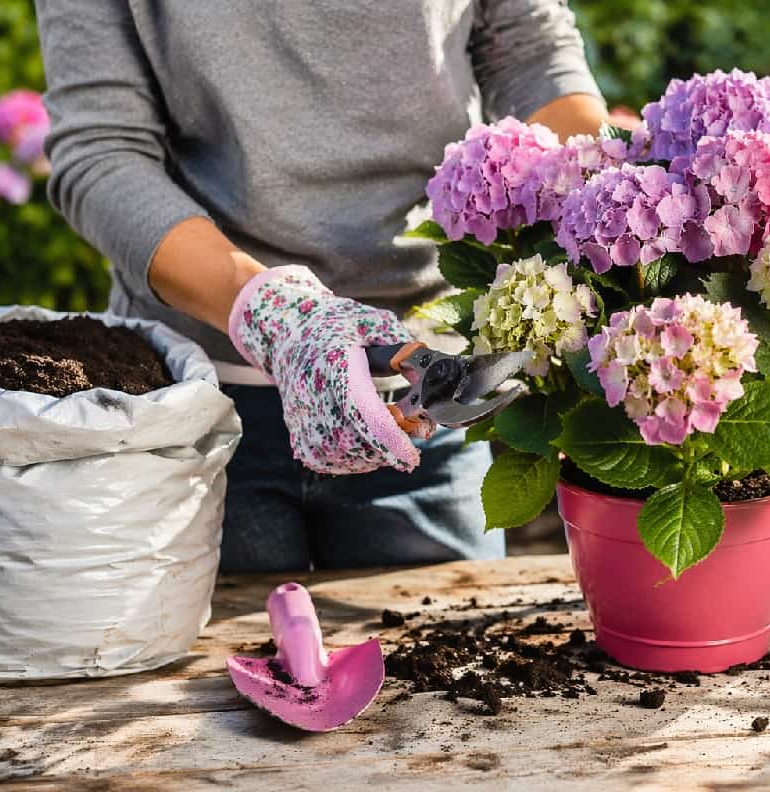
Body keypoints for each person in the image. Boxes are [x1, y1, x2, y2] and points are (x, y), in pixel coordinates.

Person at [34, 2, 609, 572]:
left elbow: (529, 57)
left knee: (446, 656)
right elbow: (103, 152)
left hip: (420, 396)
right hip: (197, 406)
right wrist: (277, 317)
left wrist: (616, 194)